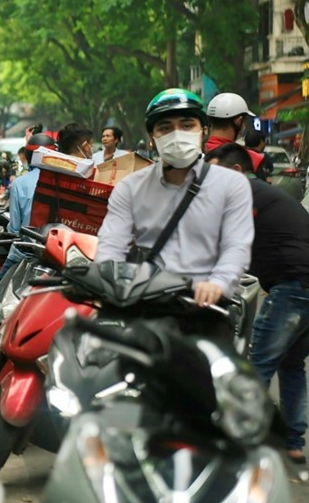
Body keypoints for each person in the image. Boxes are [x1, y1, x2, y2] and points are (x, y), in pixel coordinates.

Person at [96, 88, 253, 340]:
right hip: (143, 311)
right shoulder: (130, 187)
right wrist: (106, 280)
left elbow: (236, 247)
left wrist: (218, 284)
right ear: (152, 137)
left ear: (203, 131)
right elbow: (111, 245)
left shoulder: (232, 185)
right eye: (165, 127)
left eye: (187, 125)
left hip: (205, 312)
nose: (177, 134)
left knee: (230, 379)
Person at [205, 142, 309, 474]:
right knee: (291, 364)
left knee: (256, 368)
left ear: (236, 172)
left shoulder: (245, 192)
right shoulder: (264, 195)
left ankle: (238, 447)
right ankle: (293, 445)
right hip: (302, 284)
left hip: (294, 285)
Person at [0, 133, 58, 366]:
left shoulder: (21, 183)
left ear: (29, 156)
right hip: (59, 252)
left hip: (25, 250)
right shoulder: (66, 181)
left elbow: (15, 226)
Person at [205, 92, 264, 173]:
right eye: (244, 123)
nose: (244, 127)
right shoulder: (252, 159)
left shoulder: (194, 154)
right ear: (238, 121)